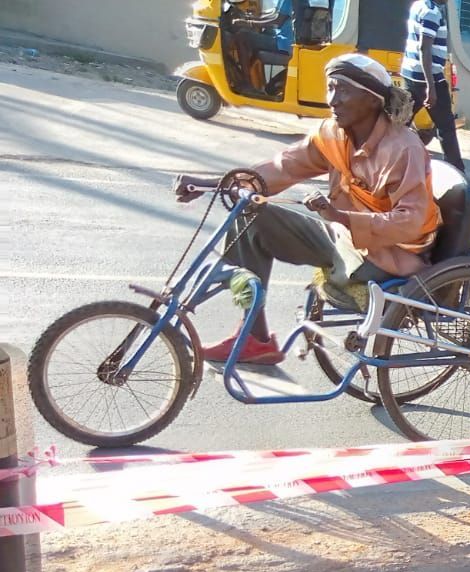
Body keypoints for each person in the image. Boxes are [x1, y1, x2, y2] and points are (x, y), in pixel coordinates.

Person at [174, 54, 440, 366]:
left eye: (342, 91)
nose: (332, 100)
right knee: (252, 215)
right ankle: (255, 338)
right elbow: (283, 167)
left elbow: (410, 221)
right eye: (330, 89)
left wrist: (341, 216)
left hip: (389, 254)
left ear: (371, 100)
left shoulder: (402, 148)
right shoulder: (332, 135)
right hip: (342, 236)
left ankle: (254, 339)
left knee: (294, 223)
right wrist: (214, 184)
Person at [401, 0, 465, 171]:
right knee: (446, 128)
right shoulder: (431, 13)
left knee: (400, 125)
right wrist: (431, 86)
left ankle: (384, 162)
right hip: (428, 79)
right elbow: (424, 48)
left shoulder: (419, 5)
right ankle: (458, 172)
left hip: (411, 75)